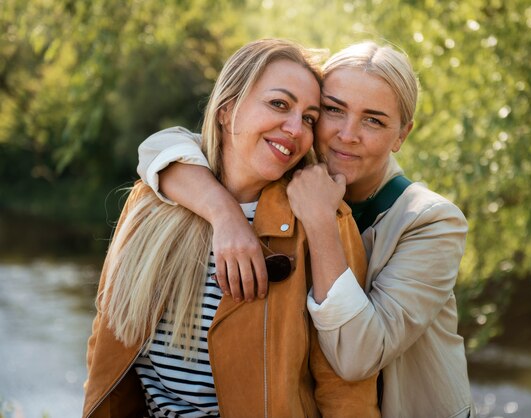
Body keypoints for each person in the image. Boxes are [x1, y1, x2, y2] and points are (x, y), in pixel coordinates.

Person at [136, 41, 474, 418]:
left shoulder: (431, 222)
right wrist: (224, 214)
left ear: (402, 135)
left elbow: (355, 357)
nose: (348, 134)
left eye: (373, 120)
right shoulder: (276, 176)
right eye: (333, 110)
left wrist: (320, 220)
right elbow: (162, 147)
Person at [82, 38, 379, 418]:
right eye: (279, 104)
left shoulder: (321, 219)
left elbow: (344, 387)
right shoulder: (150, 203)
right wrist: (226, 216)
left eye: (308, 117)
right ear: (227, 109)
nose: (294, 128)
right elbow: (105, 339)